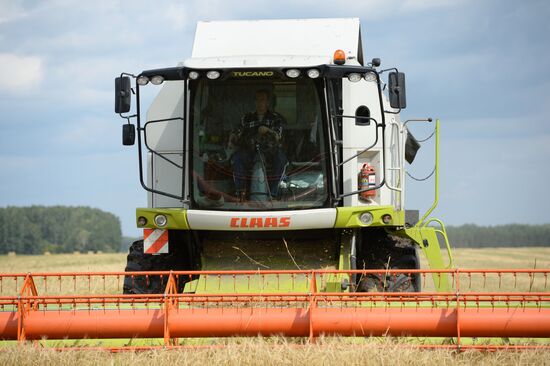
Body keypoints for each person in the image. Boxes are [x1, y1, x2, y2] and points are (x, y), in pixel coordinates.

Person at [230, 89, 287, 199]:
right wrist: (233, 136)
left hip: (270, 151)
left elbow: (278, 136)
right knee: (237, 158)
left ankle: (273, 194)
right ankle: (240, 193)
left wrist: (267, 130)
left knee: (281, 159)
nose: (259, 102)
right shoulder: (246, 118)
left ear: (268, 102)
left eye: (262, 99)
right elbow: (237, 131)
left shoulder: (275, 118)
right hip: (250, 150)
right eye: (257, 100)